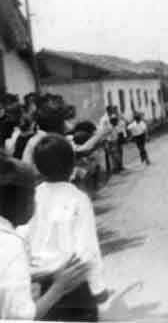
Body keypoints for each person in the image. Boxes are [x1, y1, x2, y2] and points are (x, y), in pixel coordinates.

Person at [22, 134, 107, 321]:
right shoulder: (78, 199)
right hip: (75, 284)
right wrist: (98, 286)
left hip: (43, 289)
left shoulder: (31, 198)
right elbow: (87, 248)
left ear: (38, 168)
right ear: (72, 164)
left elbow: (23, 239)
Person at [0, 152, 92, 320]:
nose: (35, 203)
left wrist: (40, 278)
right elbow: (21, 319)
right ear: (20, 201)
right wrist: (59, 287)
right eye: (31, 196)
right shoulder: (11, 245)